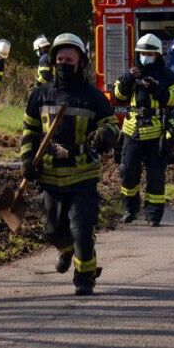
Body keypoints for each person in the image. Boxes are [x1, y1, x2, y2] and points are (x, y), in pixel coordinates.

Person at [21, 33, 119, 295]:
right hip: (50, 176)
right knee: (53, 230)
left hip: (83, 175)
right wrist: (27, 160)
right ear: (53, 61)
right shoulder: (40, 95)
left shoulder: (93, 96)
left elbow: (111, 124)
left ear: (80, 62)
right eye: (60, 59)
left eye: (70, 59)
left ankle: (84, 278)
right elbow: (29, 132)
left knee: (82, 229)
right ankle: (68, 252)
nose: (64, 63)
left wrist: (106, 135)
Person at [114, 34, 174, 226]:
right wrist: (129, 78)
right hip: (132, 131)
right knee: (128, 172)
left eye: (149, 53)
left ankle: (153, 215)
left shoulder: (167, 75)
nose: (145, 56)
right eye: (142, 53)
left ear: (158, 54)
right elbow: (118, 94)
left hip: (156, 132)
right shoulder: (132, 73)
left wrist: (156, 89)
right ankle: (130, 209)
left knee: (155, 175)